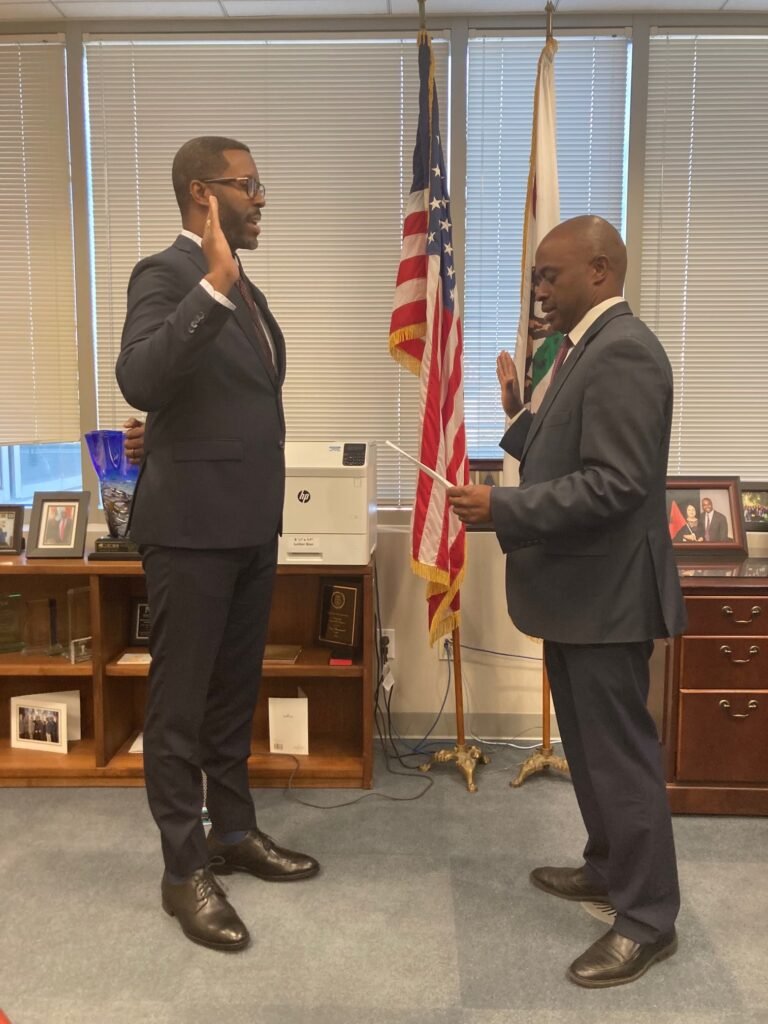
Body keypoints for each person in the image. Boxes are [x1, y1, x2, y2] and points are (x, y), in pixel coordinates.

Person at [447, 215, 686, 988]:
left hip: (608, 596)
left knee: (620, 760)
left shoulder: (624, 352)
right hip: (577, 592)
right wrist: (521, 411)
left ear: (601, 272)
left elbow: (616, 484)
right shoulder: (582, 351)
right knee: (589, 752)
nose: (537, 291)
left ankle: (648, 919)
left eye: (550, 276)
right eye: (535, 278)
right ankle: (607, 864)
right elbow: (565, 454)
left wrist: (502, 512)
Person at [116, 135, 319, 953]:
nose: (262, 197)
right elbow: (140, 377)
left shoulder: (250, 291)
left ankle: (233, 832)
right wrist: (211, 286)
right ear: (204, 194)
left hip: (248, 529)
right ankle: (181, 870)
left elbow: (204, 402)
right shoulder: (167, 276)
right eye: (250, 185)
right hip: (191, 533)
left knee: (234, 698)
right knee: (179, 708)